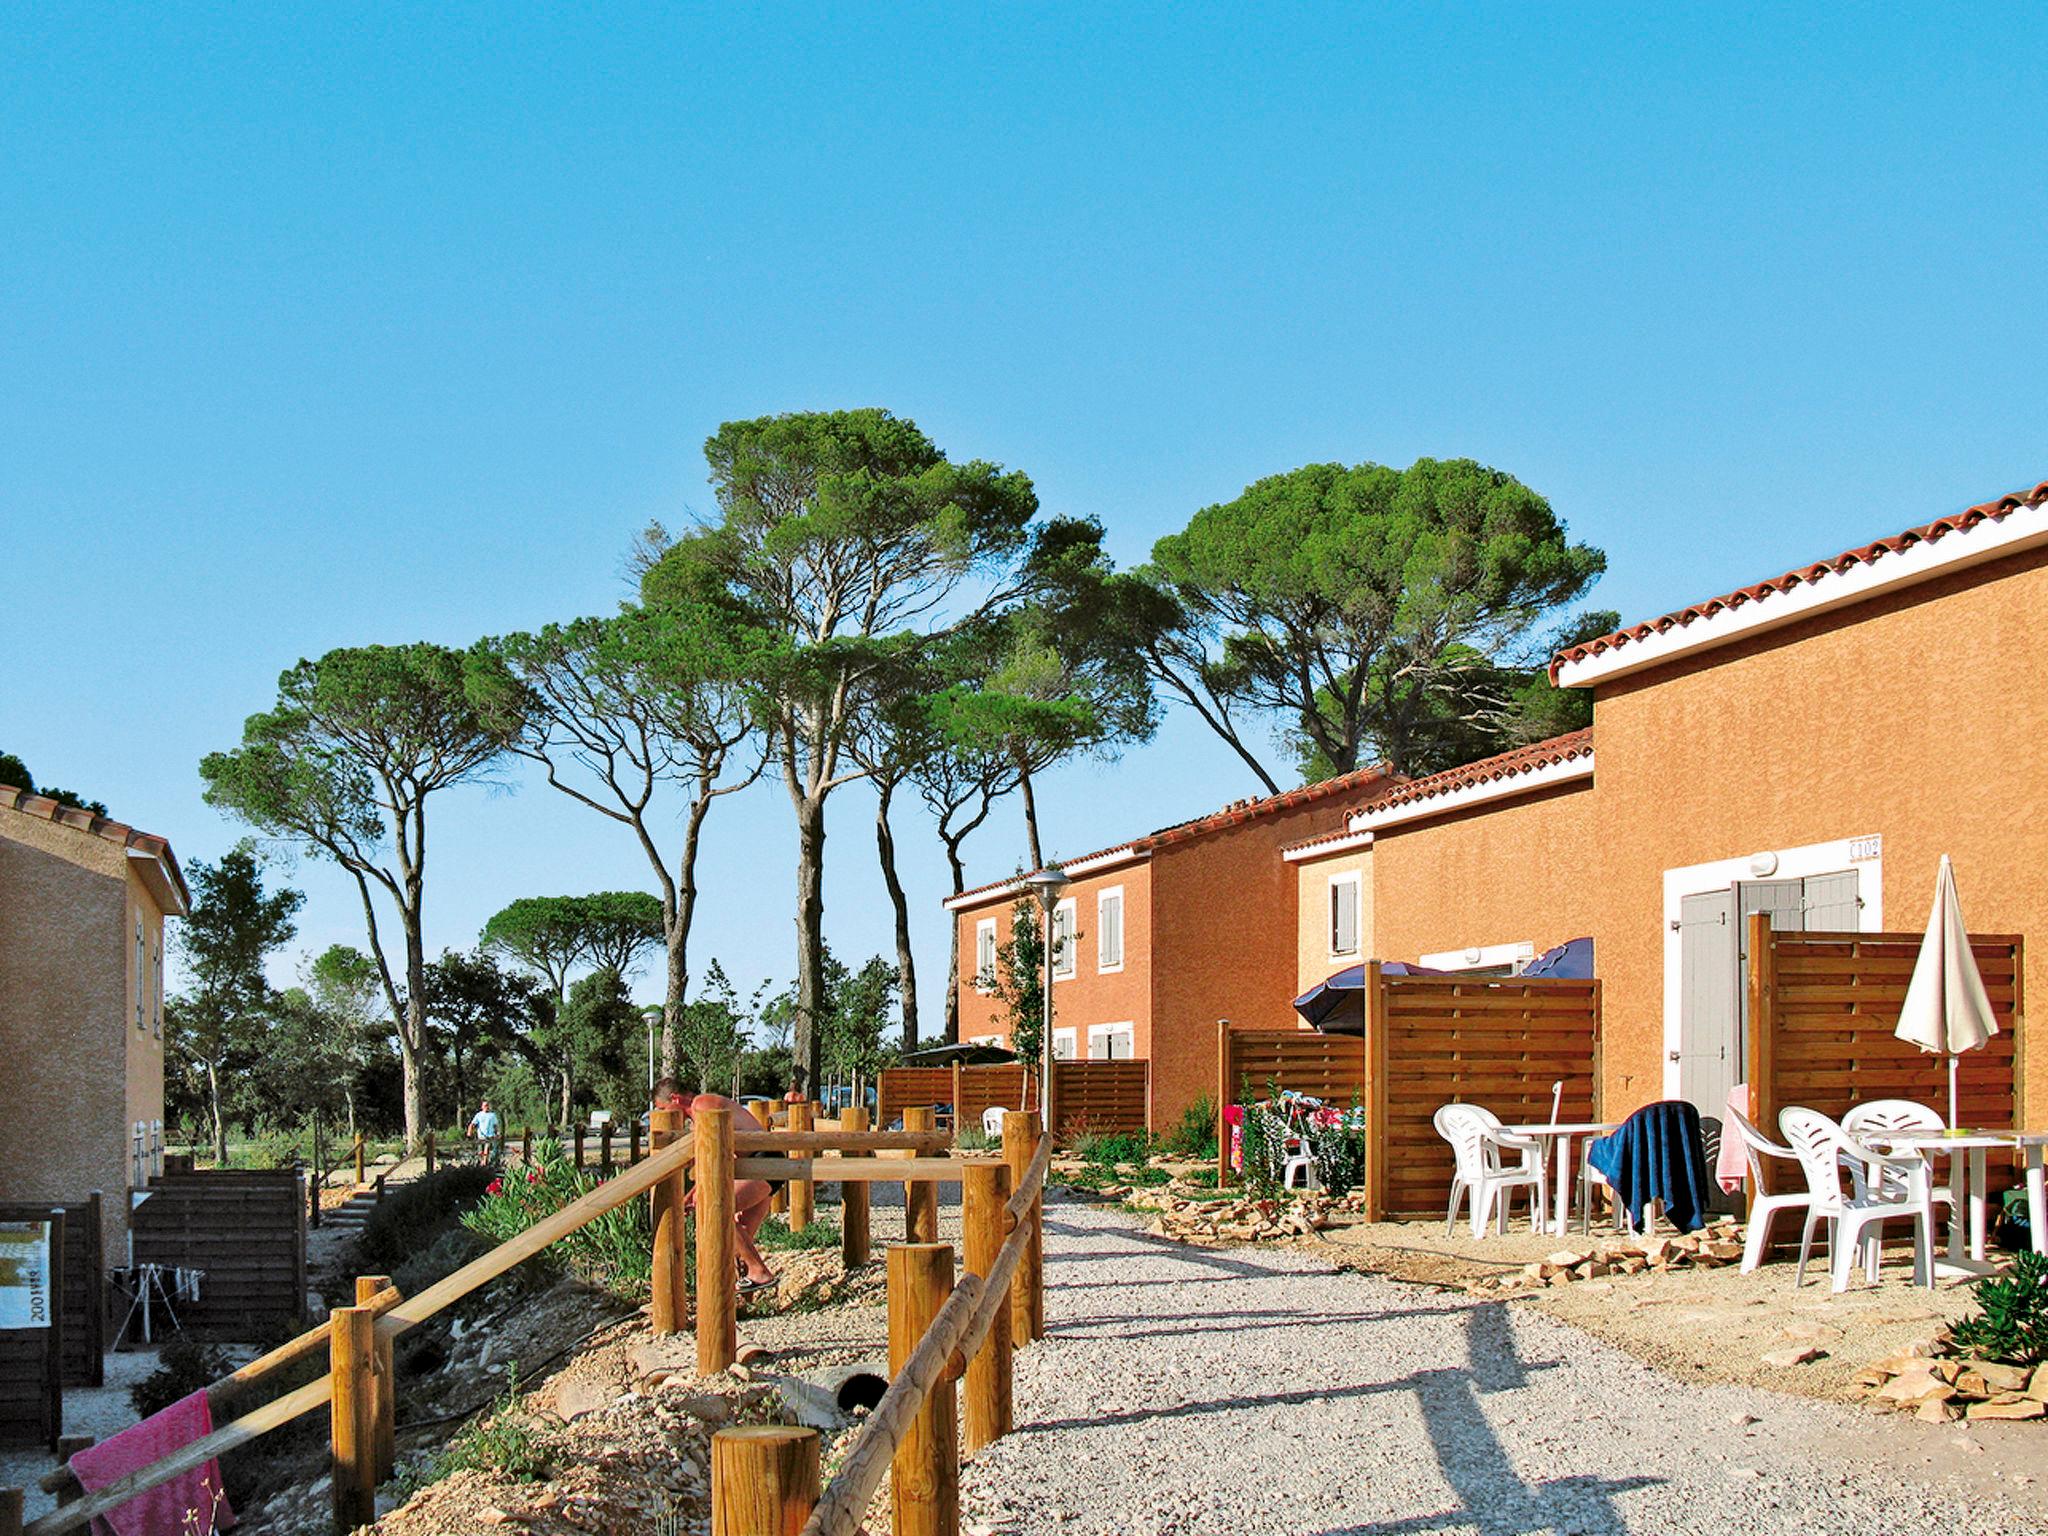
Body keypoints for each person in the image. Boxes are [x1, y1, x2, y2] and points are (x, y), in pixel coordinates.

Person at [653, 1077, 780, 1294]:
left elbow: (716, 1151)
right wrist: (694, 1193)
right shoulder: (698, 1112)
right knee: (741, 1237)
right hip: (758, 1164)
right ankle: (741, 1295)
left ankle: (759, 1272)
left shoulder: (702, 1105)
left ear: (675, 1098)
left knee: (716, 1212)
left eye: (663, 1108)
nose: (665, 1115)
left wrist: (696, 1194)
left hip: (764, 1161)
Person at [466, 1098, 503, 1165]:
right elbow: (472, 1124)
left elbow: (495, 1125)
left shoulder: (492, 1115)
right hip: (481, 1136)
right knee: (480, 1152)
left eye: (487, 1105)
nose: (486, 1107)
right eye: (485, 1105)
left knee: (487, 1149)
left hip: (490, 1136)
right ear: (482, 1107)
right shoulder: (479, 1115)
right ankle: (482, 1163)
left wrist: (498, 1133)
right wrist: (469, 1132)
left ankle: (485, 1163)